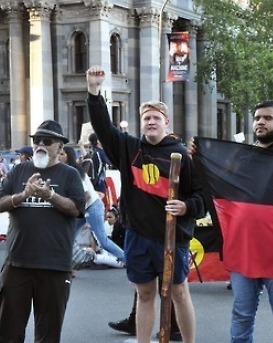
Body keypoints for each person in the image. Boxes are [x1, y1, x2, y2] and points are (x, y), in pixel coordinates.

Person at [188, 43, 273, 343]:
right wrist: (199, 156)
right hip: (243, 251)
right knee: (242, 315)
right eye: (257, 118)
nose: (260, 122)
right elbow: (216, 193)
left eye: (267, 118)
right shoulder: (240, 158)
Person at [86, 66, 205, 343]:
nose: (151, 122)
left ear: (166, 123)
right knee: (145, 293)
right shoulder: (129, 148)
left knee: (178, 293)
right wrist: (94, 91)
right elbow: (103, 126)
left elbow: (201, 198)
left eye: (156, 118)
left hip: (172, 238)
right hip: (138, 236)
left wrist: (186, 207)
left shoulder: (182, 156)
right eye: (146, 118)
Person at [0, 120, 86, 343]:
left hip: (54, 265)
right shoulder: (18, 171)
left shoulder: (70, 175)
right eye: (37, 141)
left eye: (47, 141)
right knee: (9, 332)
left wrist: (50, 196)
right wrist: (23, 196)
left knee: (48, 334)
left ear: (60, 147)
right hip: (17, 264)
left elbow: (76, 209)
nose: (40, 145)